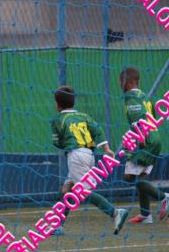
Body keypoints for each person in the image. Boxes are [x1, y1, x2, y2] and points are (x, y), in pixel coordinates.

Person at [51, 86, 128, 235]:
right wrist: (106, 149)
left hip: (75, 156)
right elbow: (98, 130)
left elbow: (57, 142)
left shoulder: (58, 119)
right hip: (89, 154)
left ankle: (115, 212)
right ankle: (58, 226)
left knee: (83, 192)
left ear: (58, 105)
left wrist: (65, 142)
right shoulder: (84, 116)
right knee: (66, 190)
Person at [119, 67, 169, 225]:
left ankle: (164, 198)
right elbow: (152, 117)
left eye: (121, 82)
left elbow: (139, 118)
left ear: (127, 82)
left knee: (129, 177)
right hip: (155, 138)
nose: (120, 85)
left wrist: (141, 139)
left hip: (144, 140)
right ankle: (145, 214)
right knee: (140, 177)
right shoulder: (145, 97)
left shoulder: (130, 98)